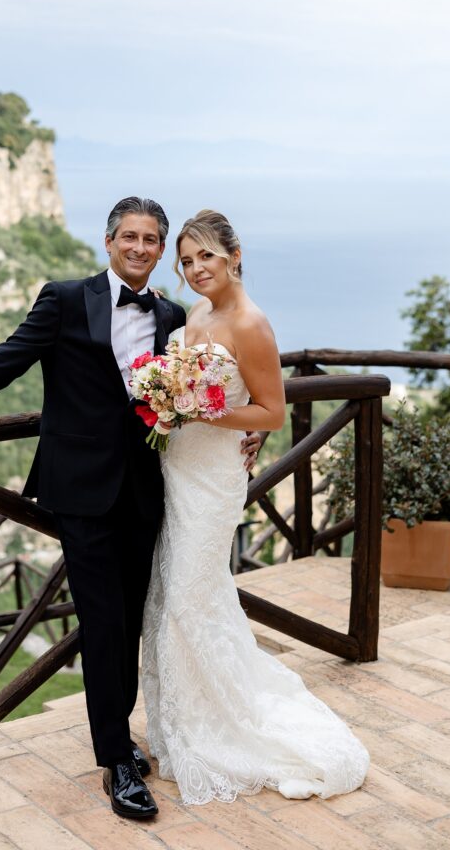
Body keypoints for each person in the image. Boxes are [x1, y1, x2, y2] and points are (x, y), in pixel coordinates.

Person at [0, 196, 260, 822]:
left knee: (133, 616)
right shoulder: (63, 298)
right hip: (79, 489)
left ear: (162, 252)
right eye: (128, 237)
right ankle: (116, 757)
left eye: (152, 240)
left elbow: (223, 374)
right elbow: (4, 361)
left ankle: (125, 733)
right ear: (108, 243)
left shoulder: (174, 316)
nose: (139, 248)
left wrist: (255, 423)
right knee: (102, 621)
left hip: (150, 486)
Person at [142, 209, 370, 805]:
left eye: (206, 258)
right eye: (187, 261)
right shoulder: (195, 312)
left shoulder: (250, 323)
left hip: (214, 477)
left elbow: (271, 411)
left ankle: (223, 727)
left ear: (234, 255)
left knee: (191, 598)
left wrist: (201, 412)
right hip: (178, 466)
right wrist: (171, 403)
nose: (195, 270)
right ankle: (181, 723)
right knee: (177, 593)